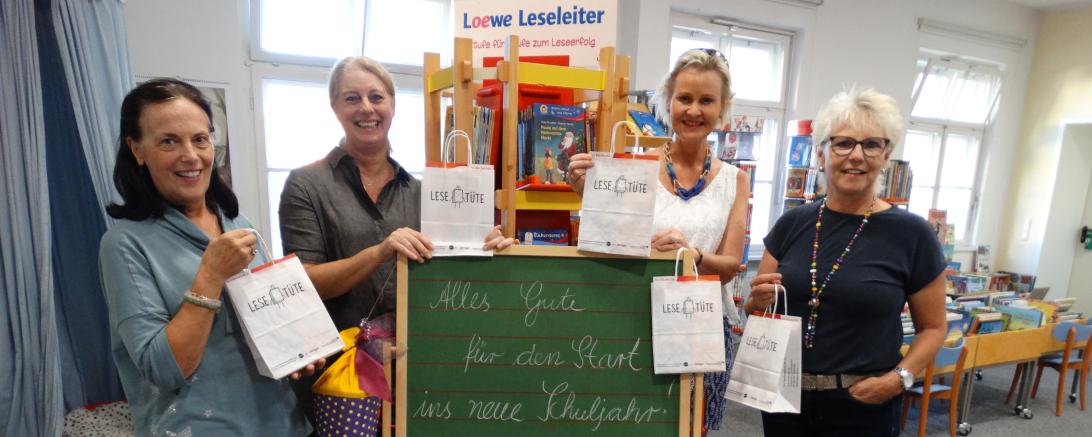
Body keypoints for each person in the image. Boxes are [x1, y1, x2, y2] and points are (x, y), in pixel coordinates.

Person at [278, 56, 514, 419]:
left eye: (377, 97)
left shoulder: (422, 192)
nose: (366, 108)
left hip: (417, 371)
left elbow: (449, 279)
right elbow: (302, 284)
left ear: (392, 105)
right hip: (341, 377)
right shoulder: (306, 185)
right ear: (335, 108)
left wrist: (488, 251)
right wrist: (378, 252)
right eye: (351, 98)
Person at [99, 79, 320, 436]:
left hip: (285, 424)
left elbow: (272, 322)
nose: (190, 156)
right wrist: (210, 275)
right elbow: (166, 370)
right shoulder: (124, 245)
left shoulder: (237, 223)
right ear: (136, 149)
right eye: (169, 141)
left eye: (200, 139)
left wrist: (300, 348)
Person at [745, 87, 947, 436]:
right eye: (843, 143)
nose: (856, 155)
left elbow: (933, 328)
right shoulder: (791, 224)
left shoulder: (913, 234)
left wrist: (897, 381)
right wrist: (755, 301)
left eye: (871, 144)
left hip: (863, 403)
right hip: (784, 398)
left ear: (886, 156)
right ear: (821, 154)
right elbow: (756, 309)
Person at [567, 48, 750, 430]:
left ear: (722, 108)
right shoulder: (633, 169)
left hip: (700, 329)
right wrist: (589, 194)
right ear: (668, 101)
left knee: (691, 428)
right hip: (632, 321)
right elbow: (607, 249)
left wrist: (692, 255)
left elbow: (731, 267)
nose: (694, 110)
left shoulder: (736, 180)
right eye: (685, 98)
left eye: (706, 100)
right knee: (624, 424)